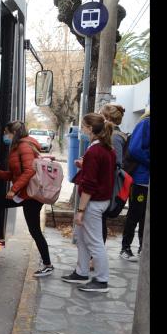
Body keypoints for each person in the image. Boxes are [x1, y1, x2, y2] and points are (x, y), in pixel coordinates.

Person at [0, 121, 54, 277]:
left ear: (13, 133)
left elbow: (29, 171)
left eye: (6, 133)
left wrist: (13, 189)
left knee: (34, 230)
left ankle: (48, 265)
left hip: (30, 195)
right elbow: (15, 174)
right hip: (25, 193)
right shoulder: (19, 146)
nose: (5, 136)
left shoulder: (23, 146)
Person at [62, 113, 116, 292]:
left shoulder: (94, 151)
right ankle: (81, 272)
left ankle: (101, 280)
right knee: (83, 239)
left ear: (90, 129)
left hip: (93, 202)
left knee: (93, 242)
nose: (82, 129)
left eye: (83, 126)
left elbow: (90, 185)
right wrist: (84, 166)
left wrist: (80, 210)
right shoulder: (107, 149)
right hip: (100, 200)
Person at [120, 110, 150, 261]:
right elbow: (134, 149)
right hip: (140, 180)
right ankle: (125, 248)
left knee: (146, 217)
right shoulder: (146, 123)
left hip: (146, 179)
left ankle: (142, 249)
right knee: (135, 214)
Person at [99, 104, 127, 242]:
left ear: (108, 117)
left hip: (108, 185)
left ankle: (96, 258)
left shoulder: (115, 137)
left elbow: (117, 163)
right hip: (106, 183)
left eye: (101, 115)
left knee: (101, 221)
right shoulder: (113, 134)